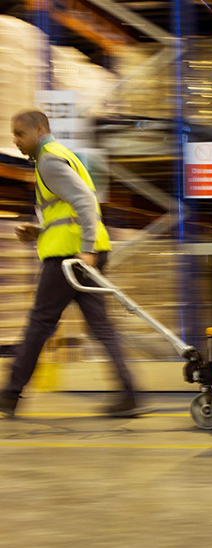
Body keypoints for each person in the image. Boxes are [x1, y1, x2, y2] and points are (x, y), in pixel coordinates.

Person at [0, 109, 143, 418]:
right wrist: (38, 231)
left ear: (39, 130)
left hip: (70, 259)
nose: (15, 139)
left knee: (39, 324)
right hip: (80, 253)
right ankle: (129, 393)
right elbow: (68, 212)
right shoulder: (61, 155)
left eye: (19, 133)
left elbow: (84, 202)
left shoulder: (49, 160)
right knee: (101, 327)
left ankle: (9, 395)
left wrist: (87, 250)